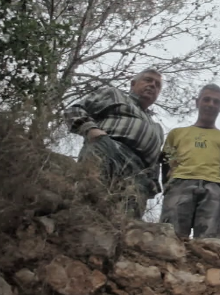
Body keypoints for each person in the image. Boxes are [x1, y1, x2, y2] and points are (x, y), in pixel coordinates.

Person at [64, 68, 165, 218]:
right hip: (109, 150)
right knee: (89, 199)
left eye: (157, 85)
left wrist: (152, 183)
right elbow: (75, 110)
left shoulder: (157, 127)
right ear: (133, 83)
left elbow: (156, 160)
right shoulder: (114, 95)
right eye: (148, 80)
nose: (152, 85)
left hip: (138, 173)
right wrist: (91, 130)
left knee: (124, 223)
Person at [159, 84, 220, 238]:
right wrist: (169, 183)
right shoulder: (177, 133)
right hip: (180, 183)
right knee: (170, 236)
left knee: (211, 241)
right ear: (197, 102)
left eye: (216, 102)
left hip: (214, 186)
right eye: (206, 100)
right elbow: (166, 162)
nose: (210, 104)